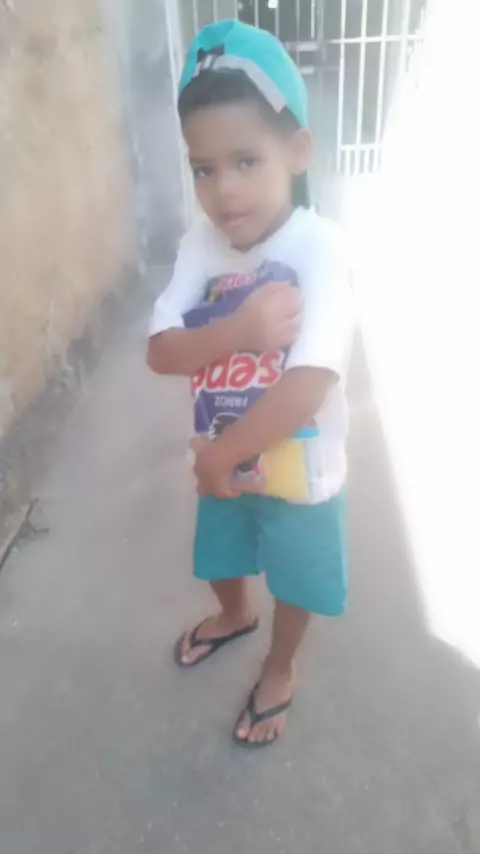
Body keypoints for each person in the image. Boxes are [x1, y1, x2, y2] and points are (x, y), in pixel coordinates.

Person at [147, 19, 353, 747]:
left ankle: (280, 666)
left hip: (298, 474)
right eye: (204, 169)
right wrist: (237, 332)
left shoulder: (320, 249)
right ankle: (235, 615)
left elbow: (309, 385)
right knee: (222, 558)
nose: (224, 191)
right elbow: (161, 351)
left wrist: (219, 456)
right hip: (224, 463)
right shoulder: (200, 246)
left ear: (297, 152)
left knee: (296, 580)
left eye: (245, 160)